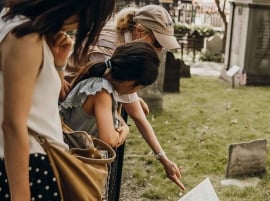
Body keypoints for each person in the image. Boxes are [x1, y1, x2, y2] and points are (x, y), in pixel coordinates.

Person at [0, 1, 115, 201]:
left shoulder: (16, 25)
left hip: (33, 162)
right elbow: (13, 124)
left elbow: (40, 103)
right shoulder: (27, 37)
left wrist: (59, 64)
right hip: (30, 166)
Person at [66, 5, 185, 191]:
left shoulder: (121, 55)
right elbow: (132, 120)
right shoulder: (107, 51)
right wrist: (124, 126)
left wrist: (132, 98)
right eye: (157, 44)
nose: (159, 51)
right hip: (72, 123)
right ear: (139, 31)